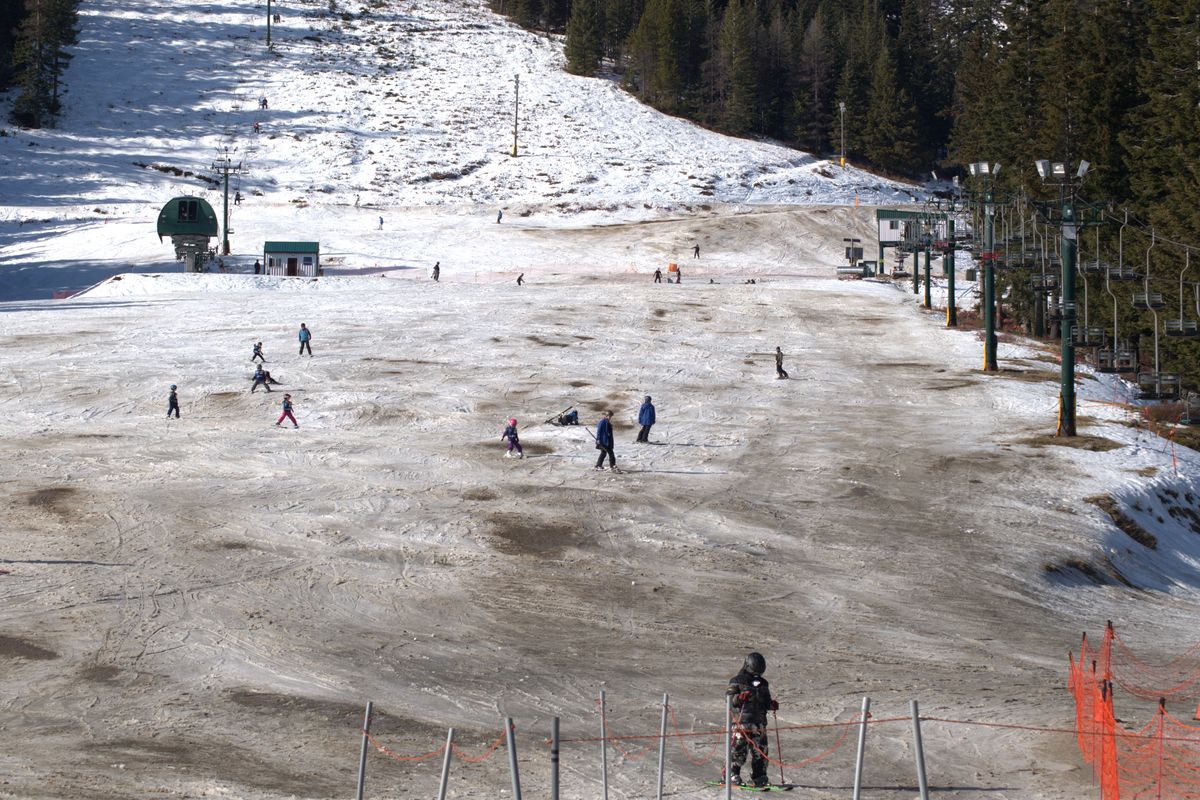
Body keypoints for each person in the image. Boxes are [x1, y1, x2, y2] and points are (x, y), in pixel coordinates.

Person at [726, 652, 777, 788]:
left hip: (758, 723)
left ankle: (759, 775)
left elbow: (766, 701)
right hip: (741, 722)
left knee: (760, 750)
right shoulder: (736, 680)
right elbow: (729, 700)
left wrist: (771, 704)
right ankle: (731, 773)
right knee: (738, 748)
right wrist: (739, 697)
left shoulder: (763, 683)